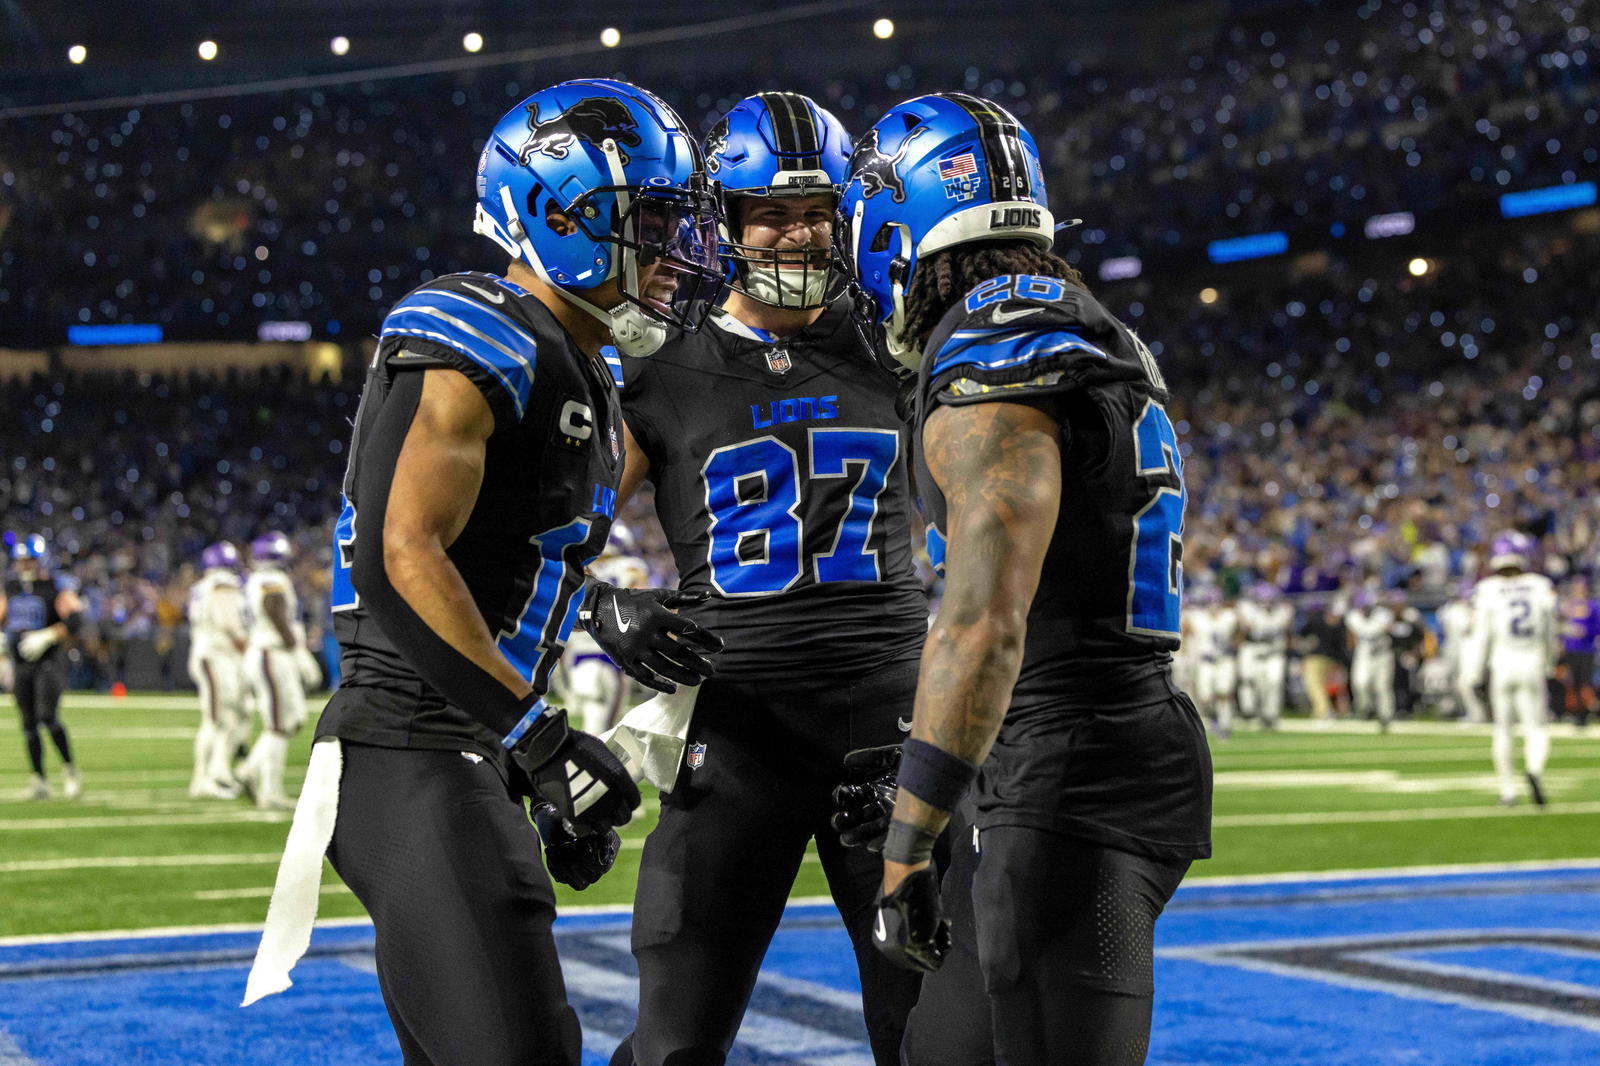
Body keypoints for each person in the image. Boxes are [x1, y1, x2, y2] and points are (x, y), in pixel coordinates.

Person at [250, 80, 726, 1065]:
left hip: (456, 752)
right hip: (408, 745)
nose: (678, 250)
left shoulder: (585, 367)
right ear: (558, 217)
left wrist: (587, 626)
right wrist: (541, 741)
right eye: (650, 219)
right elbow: (401, 553)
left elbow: (495, 555)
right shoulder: (482, 324)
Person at [837, 92, 1212, 1065]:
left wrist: (908, 837)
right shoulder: (1086, 325)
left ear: (894, 219)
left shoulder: (998, 332)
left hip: (1070, 765)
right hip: (1093, 742)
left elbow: (982, 619)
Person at [607, 92, 926, 1066]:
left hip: (894, 727)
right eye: (772, 212)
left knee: (930, 1033)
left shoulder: (900, 343)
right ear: (727, 222)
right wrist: (598, 596)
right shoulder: (661, 372)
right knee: (674, 1038)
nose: (799, 232)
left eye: (817, 210)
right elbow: (556, 526)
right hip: (738, 731)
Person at [1468, 532, 1559, 805]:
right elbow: (1549, 630)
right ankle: (1533, 769)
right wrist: (1550, 662)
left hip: (1502, 662)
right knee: (1536, 727)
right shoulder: (1540, 585)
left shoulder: (1488, 589)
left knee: (1503, 729)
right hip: (1531, 660)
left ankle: (1508, 790)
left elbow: (1481, 635)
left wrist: (1473, 672)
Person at [237, 531, 320, 810]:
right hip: (272, 654)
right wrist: (298, 650)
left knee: (292, 719)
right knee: (278, 724)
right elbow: (275, 609)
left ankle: (253, 771)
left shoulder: (255, 579)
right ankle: (261, 783)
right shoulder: (270, 580)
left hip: (270, 653)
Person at [1, 534, 85, 800]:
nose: (24, 566)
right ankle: (39, 779)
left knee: (48, 716)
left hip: (48, 660)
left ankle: (70, 770)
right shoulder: (12, 587)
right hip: (21, 662)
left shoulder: (55, 586)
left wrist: (48, 635)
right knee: (27, 723)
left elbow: (76, 619)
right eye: (21, 561)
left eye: (29, 561)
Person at [186, 541, 249, 799]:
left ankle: (219, 773)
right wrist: (247, 645)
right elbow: (230, 623)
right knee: (214, 720)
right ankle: (201, 779)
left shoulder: (202, 586)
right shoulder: (222, 584)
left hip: (212, 654)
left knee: (231, 719)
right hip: (216, 656)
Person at [1237, 581, 1292, 730]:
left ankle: (1271, 715)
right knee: (1253, 683)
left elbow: (1287, 627)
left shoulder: (1283, 611)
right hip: (1255, 650)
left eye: (1270, 600)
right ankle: (1252, 712)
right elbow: (1245, 627)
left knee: (1274, 683)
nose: (1266, 603)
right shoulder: (1249, 610)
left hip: (1274, 653)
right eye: (1263, 600)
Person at [1187, 584, 1239, 737]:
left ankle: (1225, 724)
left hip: (1224, 659)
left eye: (1216, 601)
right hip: (1206, 660)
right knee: (1205, 696)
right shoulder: (1197, 618)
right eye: (1211, 602)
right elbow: (1186, 630)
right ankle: (1214, 718)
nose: (1214, 605)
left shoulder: (1229, 616)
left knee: (1224, 692)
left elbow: (1239, 632)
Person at [1345, 587, 1396, 731]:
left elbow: (1375, 630)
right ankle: (1366, 709)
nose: (1364, 610)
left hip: (1382, 653)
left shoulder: (1383, 615)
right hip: (1364, 654)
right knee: (1360, 683)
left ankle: (1386, 716)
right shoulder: (1353, 616)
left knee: (1382, 687)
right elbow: (1359, 634)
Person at [1438, 580, 1487, 722]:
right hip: (1463, 651)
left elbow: (1466, 628)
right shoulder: (1454, 610)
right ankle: (1473, 713)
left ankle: (1477, 714)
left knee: (1466, 684)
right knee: (1461, 684)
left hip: (1474, 652)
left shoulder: (1479, 611)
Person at [1555, 573, 1598, 727]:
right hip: (1571, 649)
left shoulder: (1593, 606)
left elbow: (1597, 627)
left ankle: (1586, 713)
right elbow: (1559, 625)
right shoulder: (1568, 606)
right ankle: (1576, 712)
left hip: (1586, 649)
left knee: (1586, 682)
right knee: (1573, 682)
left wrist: (1585, 632)